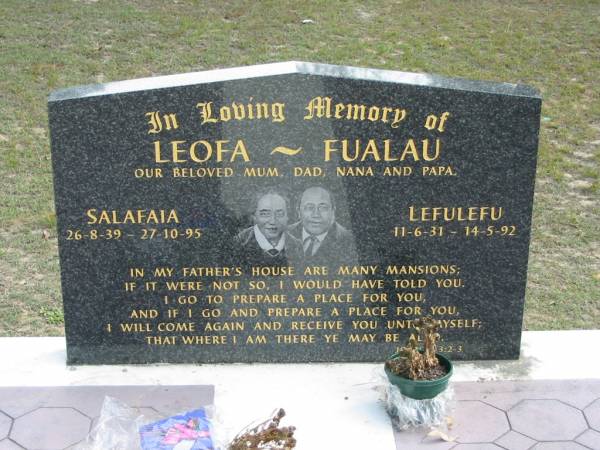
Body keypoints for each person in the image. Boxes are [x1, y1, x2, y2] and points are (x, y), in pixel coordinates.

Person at [288, 186, 356, 265]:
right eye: (309, 207)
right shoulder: (282, 234)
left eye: (323, 208)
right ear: (298, 212)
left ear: (333, 212)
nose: (316, 214)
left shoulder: (350, 240)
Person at [234, 189, 301, 267]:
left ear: (287, 217)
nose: (273, 221)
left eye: (279, 214)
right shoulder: (237, 244)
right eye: (265, 214)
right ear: (254, 216)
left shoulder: (299, 247)